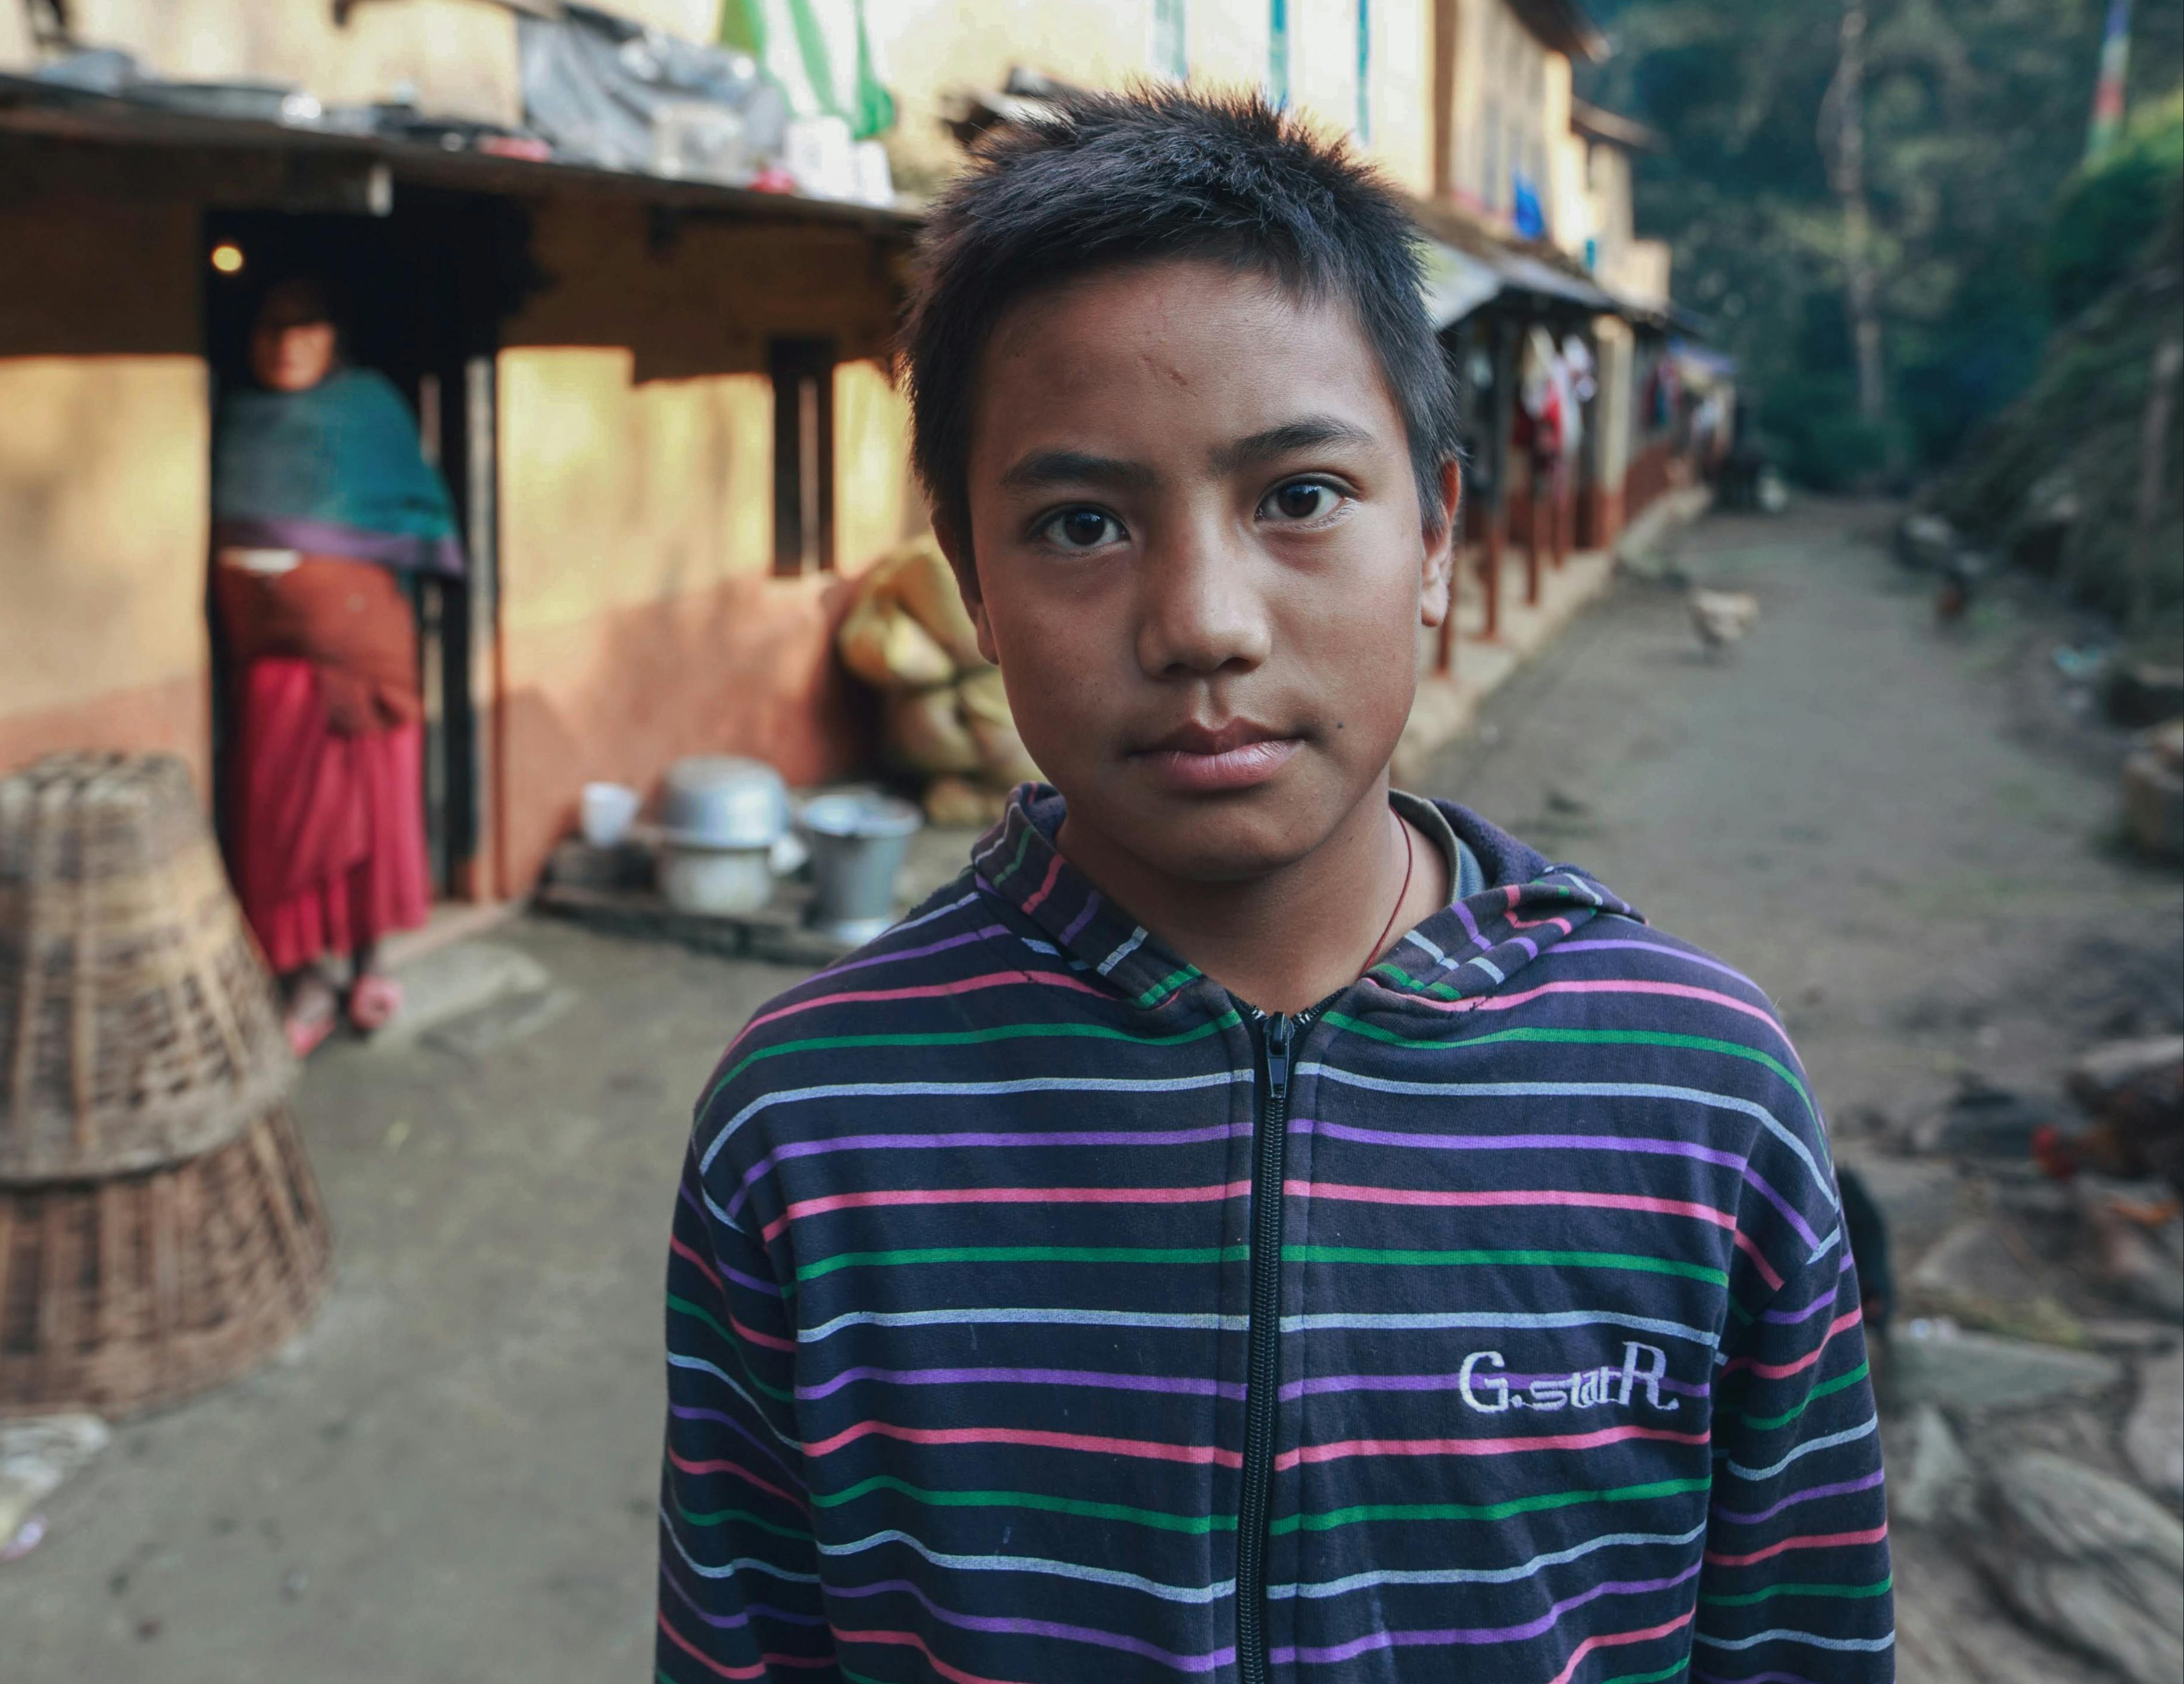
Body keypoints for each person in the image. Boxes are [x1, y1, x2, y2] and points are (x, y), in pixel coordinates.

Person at [657, 88, 1892, 1684]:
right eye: (1081, 523)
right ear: (971, 583)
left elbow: (1796, 1644)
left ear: (1438, 532)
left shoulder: (1695, 1097)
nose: (1202, 623)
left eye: (1297, 498)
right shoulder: (816, 1125)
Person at [210, 278, 458, 1054]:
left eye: (303, 326)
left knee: (373, 807)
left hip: (362, 658)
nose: (285, 345)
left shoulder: (369, 409)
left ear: (332, 336)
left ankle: (368, 958)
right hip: (276, 667)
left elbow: (413, 508)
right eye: (269, 329)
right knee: (287, 819)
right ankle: (307, 975)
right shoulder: (239, 418)